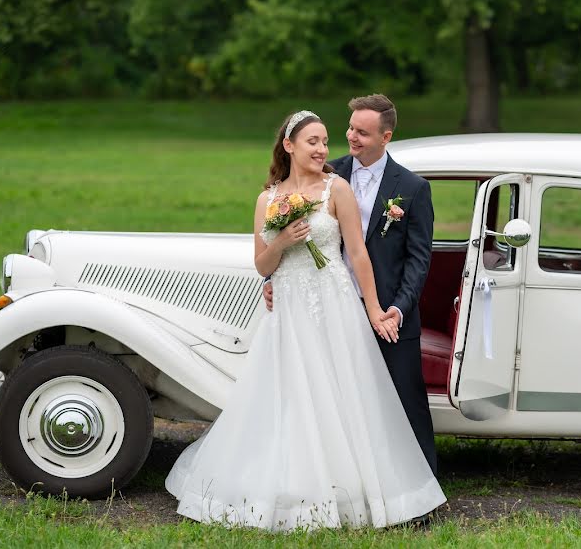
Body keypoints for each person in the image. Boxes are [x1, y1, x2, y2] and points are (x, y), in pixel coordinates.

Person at [165, 110, 446, 531]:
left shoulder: (339, 189)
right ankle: (292, 486)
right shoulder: (267, 199)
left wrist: (372, 309)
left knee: (345, 395)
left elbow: (358, 255)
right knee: (290, 396)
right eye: (312, 141)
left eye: (325, 141)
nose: (322, 148)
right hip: (289, 309)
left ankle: (360, 488)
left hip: (335, 305)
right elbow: (263, 266)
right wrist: (282, 239)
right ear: (289, 145)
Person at [263, 94, 438, 476]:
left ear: (385, 136)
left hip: (387, 309)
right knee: (335, 401)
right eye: (350, 128)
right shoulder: (327, 173)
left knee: (405, 401)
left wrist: (398, 308)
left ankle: (421, 485)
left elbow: (418, 259)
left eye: (362, 132)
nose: (351, 137)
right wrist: (272, 277)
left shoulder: (411, 187)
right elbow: (291, 238)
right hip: (328, 305)